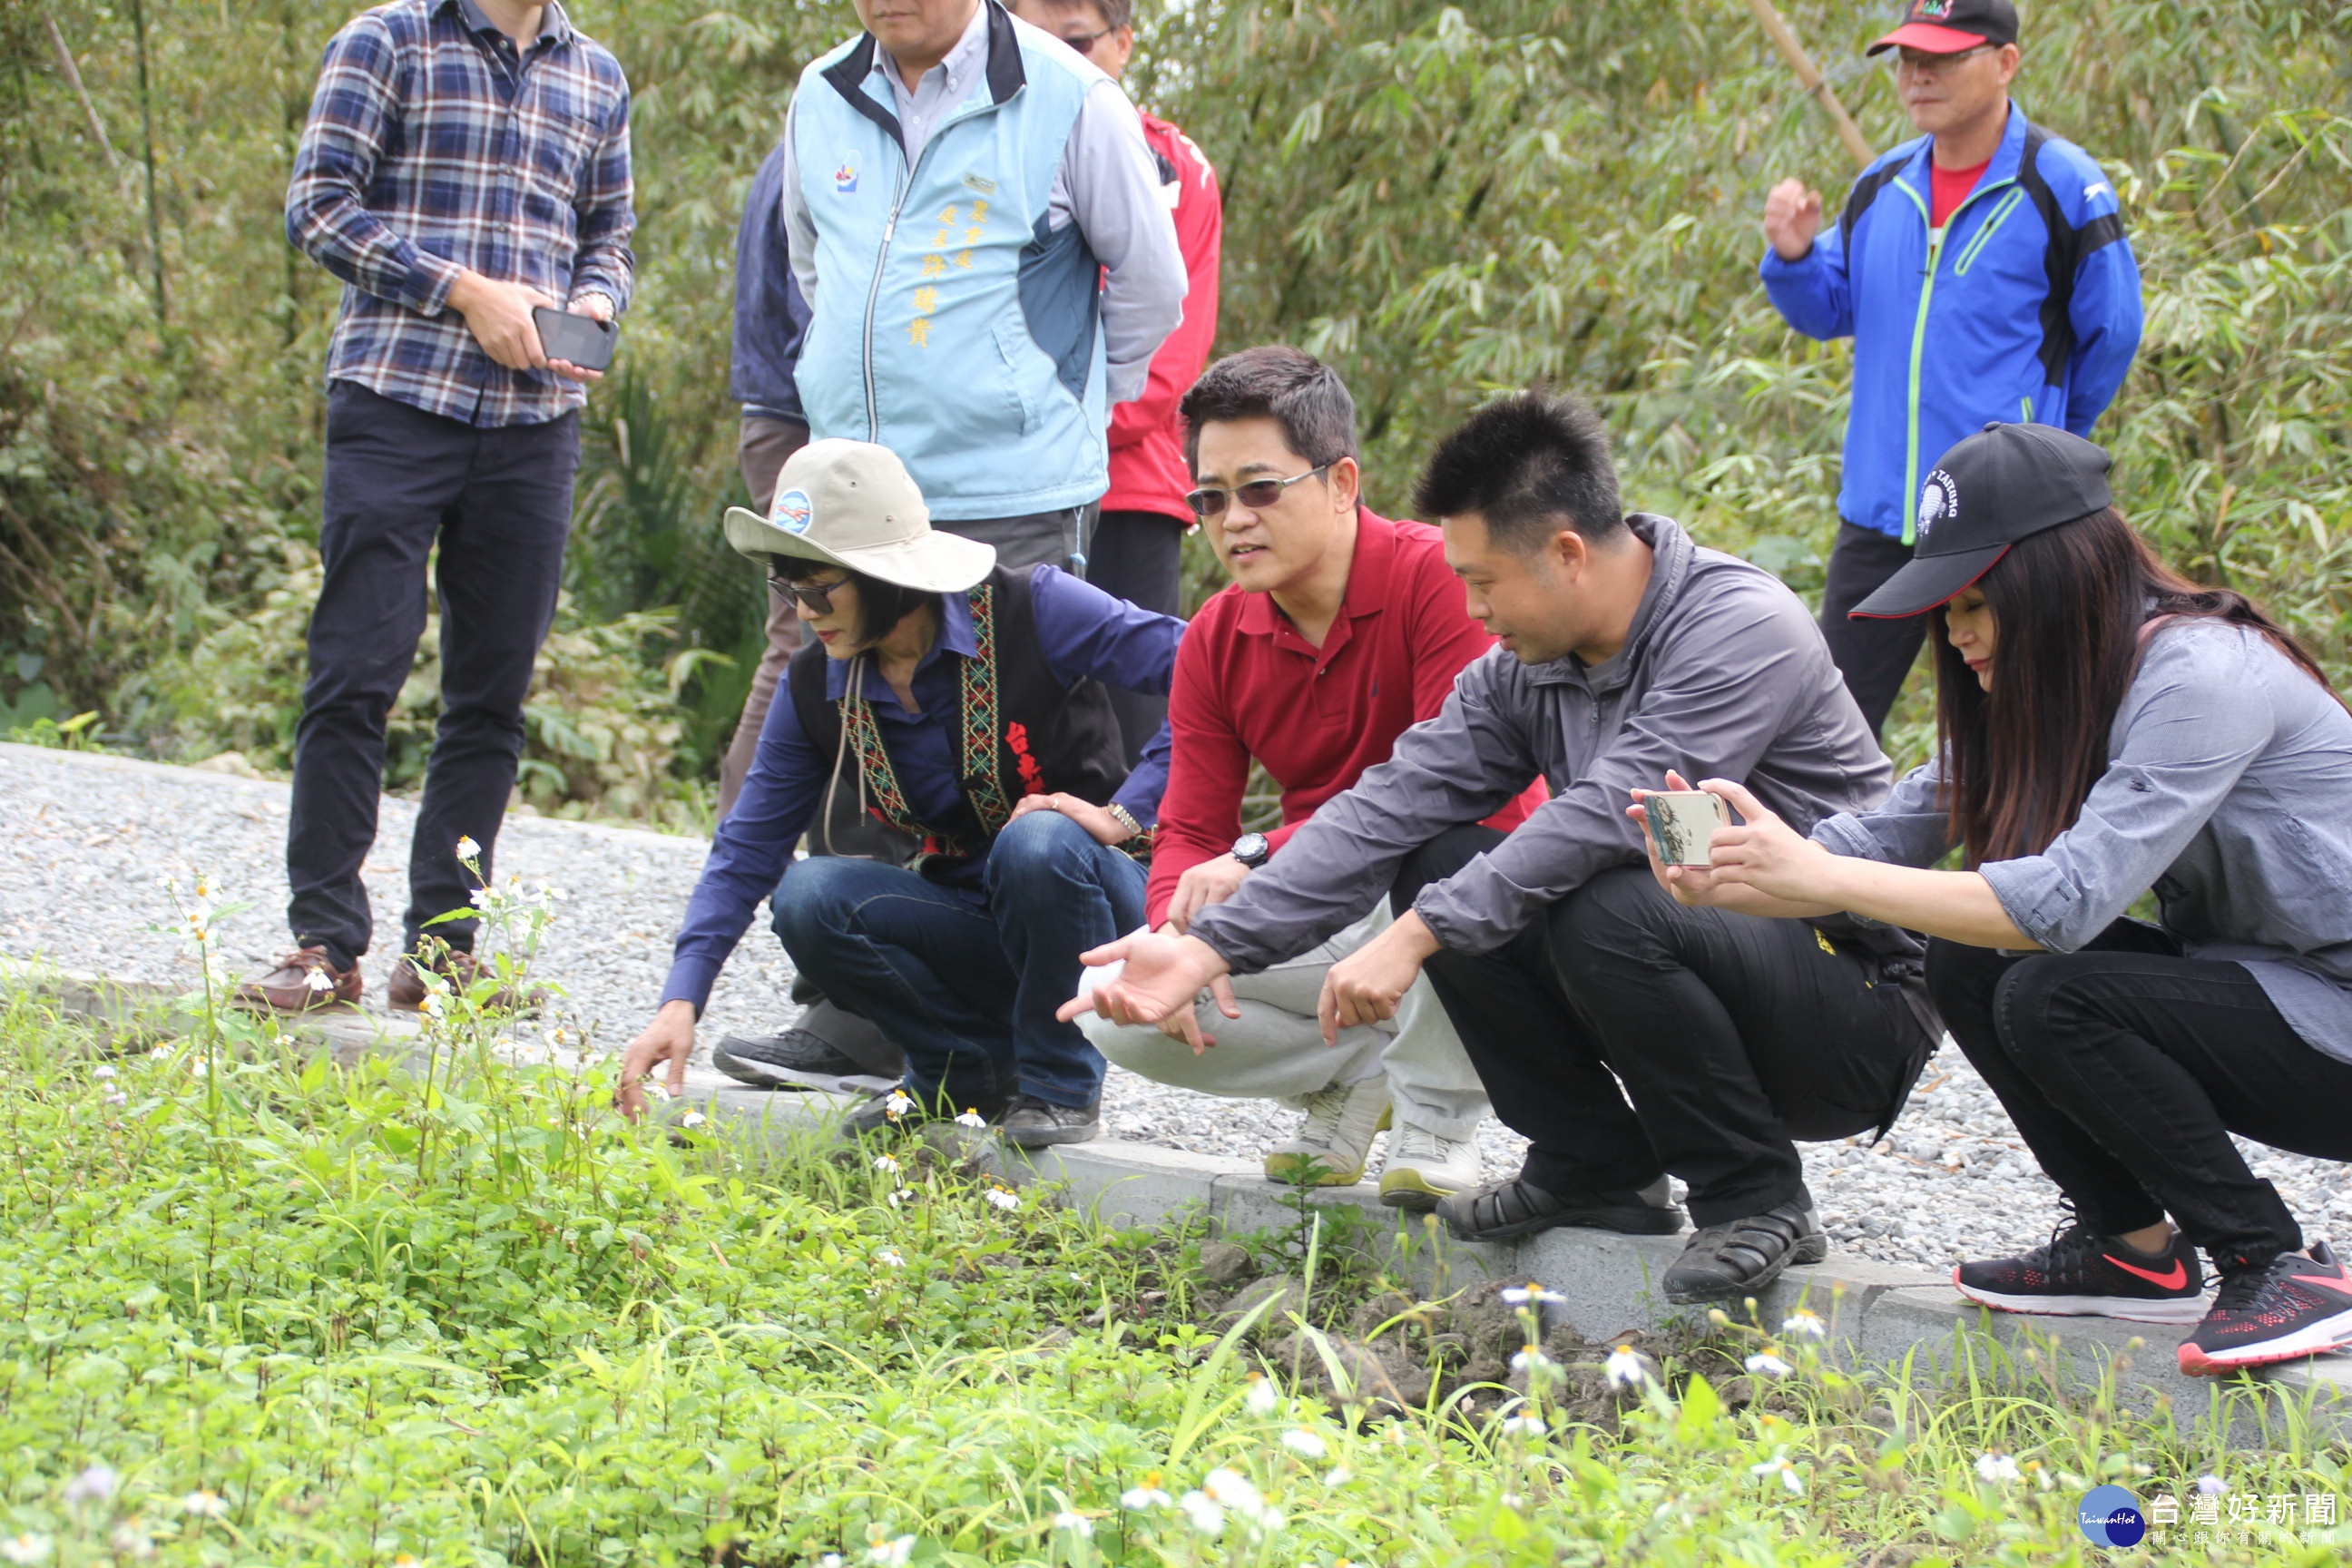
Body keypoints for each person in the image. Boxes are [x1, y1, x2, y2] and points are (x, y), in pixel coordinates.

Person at [1063, 392, 1941, 1303]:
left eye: (1483, 583)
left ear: (1566, 554)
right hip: (1705, 944)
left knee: (1604, 893)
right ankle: (1594, 1162)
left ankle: (1756, 1195)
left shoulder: (1739, 625)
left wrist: (1414, 937)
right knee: (1433, 855)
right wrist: (1206, 946)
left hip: (1854, 1000)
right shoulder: (1524, 669)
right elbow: (1386, 809)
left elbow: (1613, 810)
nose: (1474, 610)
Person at [1649, 421, 2352, 1376]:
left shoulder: (2203, 676)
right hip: (2273, 994)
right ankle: (2131, 1246)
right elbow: (1876, 840)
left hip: (2334, 1013)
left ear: (2061, 584)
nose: (1958, 633)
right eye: (1949, 608)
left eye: (1978, 603)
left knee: (2054, 990)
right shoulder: (2045, 689)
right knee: (1972, 958)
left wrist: (1816, 879)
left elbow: (2062, 903)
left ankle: (2273, 1264)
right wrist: (1735, 870)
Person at [1071, 348, 1544, 1205]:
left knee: (1444, 851)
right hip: (1325, 901)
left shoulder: (1441, 579)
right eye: (1209, 500)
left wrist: (1255, 854)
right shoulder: (1215, 636)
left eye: (1260, 489)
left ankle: (1438, 1113)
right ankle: (1354, 1079)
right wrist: (1172, 942)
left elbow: (1469, 785)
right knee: (1114, 998)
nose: (1233, 521)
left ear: (1341, 483)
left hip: (1476, 893)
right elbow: (1188, 829)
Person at [619, 440, 1181, 1148]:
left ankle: (1060, 1085)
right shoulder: (816, 684)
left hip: (1100, 911)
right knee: (809, 898)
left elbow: (1208, 669)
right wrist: (681, 999)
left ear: (883, 574)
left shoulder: (1033, 607)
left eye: (820, 589)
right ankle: (960, 1070)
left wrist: (1124, 813)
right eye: (787, 589)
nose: (804, 612)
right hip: (976, 920)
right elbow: (746, 846)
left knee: (1037, 840)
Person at [240, 0, 632, 1014]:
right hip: (394, 398)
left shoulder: (596, 73)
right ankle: (324, 942)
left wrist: (596, 302)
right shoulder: (388, 38)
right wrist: (461, 290)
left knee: (491, 696)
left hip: (536, 420)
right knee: (354, 672)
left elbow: (610, 232)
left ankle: (446, 949)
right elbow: (320, 206)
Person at [1759, 0, 2141, 736]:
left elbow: (2113, 331)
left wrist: (2051, 443)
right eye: (1908, 60)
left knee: (2018, 728)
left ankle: (2013, 854)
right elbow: (1830, 310)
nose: (1918, 76)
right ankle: (1825, 854)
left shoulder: (2061, 183)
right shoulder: (1883, 184)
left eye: (1942, 58)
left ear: (2005, 63)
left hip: (2004, 518)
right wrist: (1797, 256)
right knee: (1828, 727)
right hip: (1879, 512)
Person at [781, 0, 1186, 571]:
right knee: (857, 665)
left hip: (1010, 505)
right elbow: (815, 264)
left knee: (995, 665)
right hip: (852, 498)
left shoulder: (1072, 96)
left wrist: (1059, 403)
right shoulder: (822, 93)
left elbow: (1153, 286)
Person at [709, 132, 914, 1092]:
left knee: (819, 648)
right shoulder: (833, 142)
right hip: (821, 422)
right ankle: (824, 954)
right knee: (814, 650)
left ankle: (860, 958)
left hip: (810, 417)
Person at [1009, 0, 1223, 762]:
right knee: (1014, 717)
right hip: (1007, 487)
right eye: (1028, 37)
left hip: (1127, 487)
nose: (1050, 58)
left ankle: (1143, 881)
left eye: (1075, 42)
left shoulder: (1175, 165)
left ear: (1123, 44)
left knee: (1133, 730)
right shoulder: (989, 146)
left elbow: (1169, 357)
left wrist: (1041, 417)